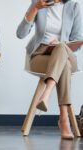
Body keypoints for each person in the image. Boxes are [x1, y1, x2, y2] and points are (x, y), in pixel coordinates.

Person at [17, 0, 83, 139]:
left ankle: (46, 94)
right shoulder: (38, 3)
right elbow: (20, 34)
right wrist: (35, 8)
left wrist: (61, 45)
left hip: (66, 53)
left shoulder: (73, 6)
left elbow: (78, 40)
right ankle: (63, 120)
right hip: (40, 55)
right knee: (64, 65)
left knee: (61, 49)